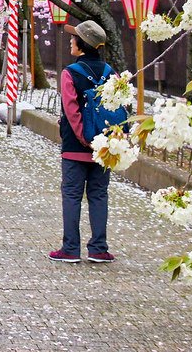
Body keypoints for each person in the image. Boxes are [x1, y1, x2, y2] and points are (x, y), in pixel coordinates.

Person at [49, 19, 116, 264]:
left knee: (72, 195)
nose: (70, 40)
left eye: (73, 38)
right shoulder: (111, 73)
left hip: (76, 148)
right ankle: (99, 249)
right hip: (104, 147)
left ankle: (70, 248)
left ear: (82, 44)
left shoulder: (70, 73)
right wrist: (101, 140)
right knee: (99, 195)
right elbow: (115, 108)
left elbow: (72, 110)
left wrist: (83, 138)